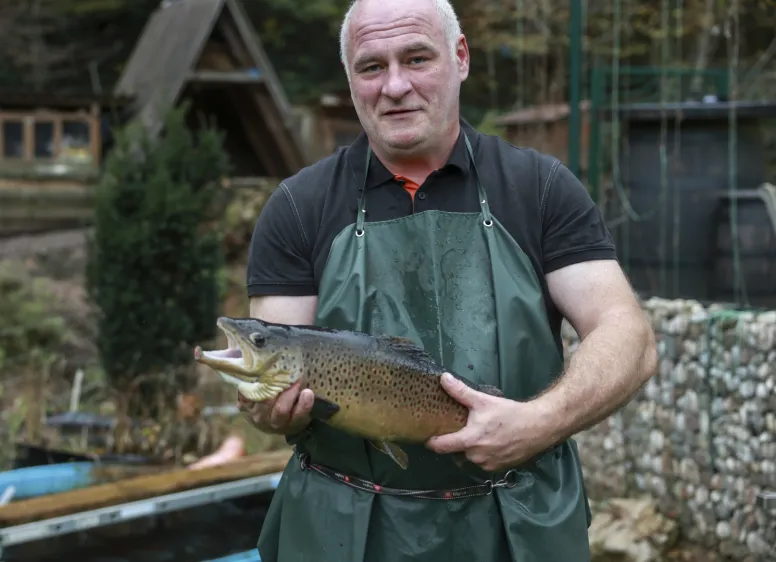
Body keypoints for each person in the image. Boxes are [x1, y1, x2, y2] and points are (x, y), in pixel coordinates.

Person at [238, 0, 658, 560]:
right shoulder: (298, 206)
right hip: (343, 531)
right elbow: (272, 368)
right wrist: (265, 407)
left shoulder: (538, 187)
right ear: (350, 79)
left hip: (516, 525)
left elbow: (626, 332)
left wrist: (540, 421)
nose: (394, 86)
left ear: (460, 58)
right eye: (371, 67)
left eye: (416, 58)